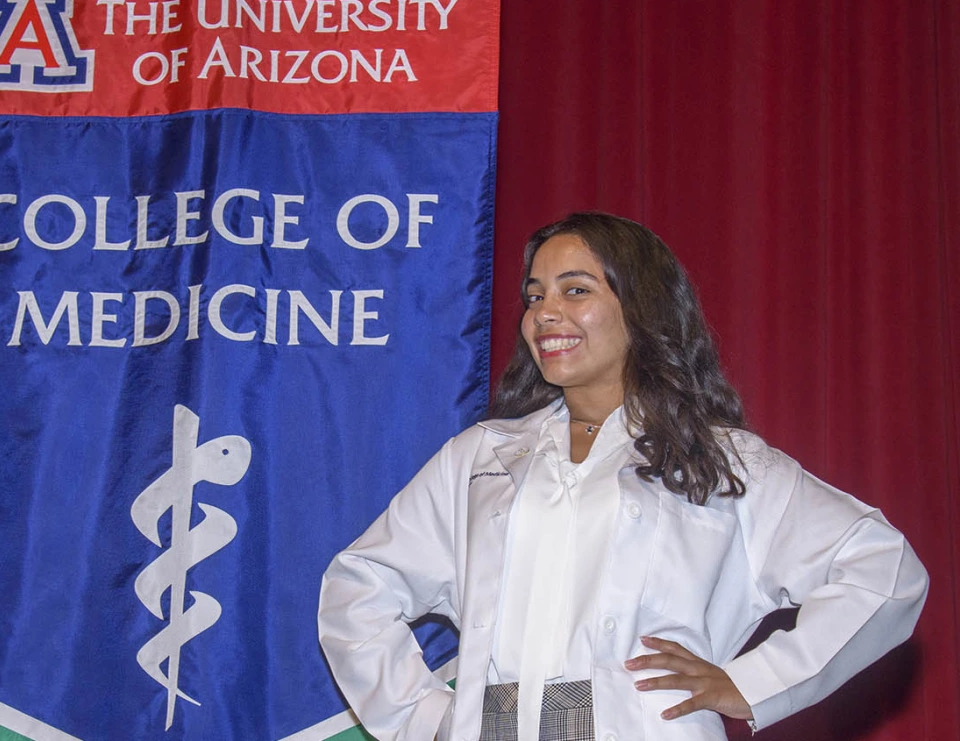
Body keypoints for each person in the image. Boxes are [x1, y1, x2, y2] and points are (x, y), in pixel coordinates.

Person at [317, 212, 928, 741]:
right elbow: (359, 586)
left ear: (640, 306)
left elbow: (883, 570)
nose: (546, 313)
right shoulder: (482, 456)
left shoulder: (716, 461)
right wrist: (427, 719)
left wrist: (753, 683)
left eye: (575, 290)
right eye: (534, 296)